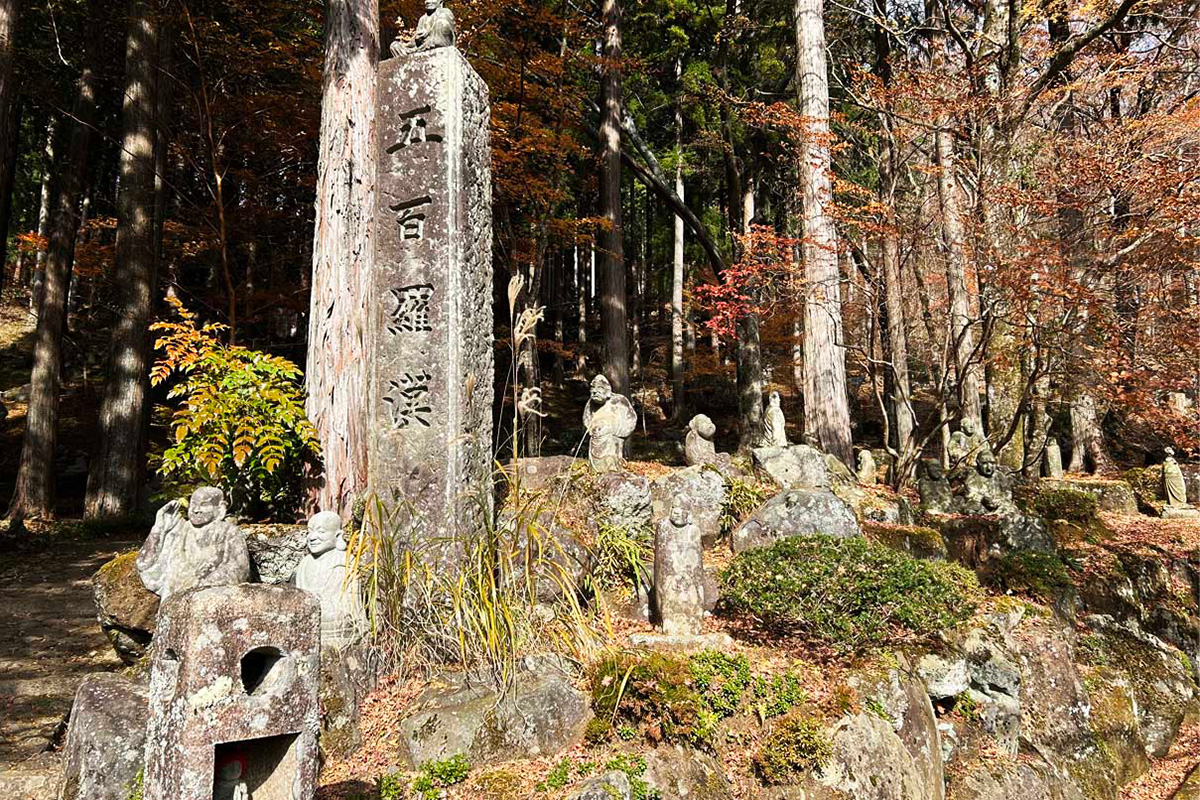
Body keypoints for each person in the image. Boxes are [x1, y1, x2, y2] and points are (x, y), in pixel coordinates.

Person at [137, 487, 250, 600]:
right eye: (193, 504)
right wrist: (159, 529)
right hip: (174, 599)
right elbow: (145, 564)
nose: (196, 510)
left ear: (220, 508)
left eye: (204, 505)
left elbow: (239, 571)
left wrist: (201, 583)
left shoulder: (229, 531)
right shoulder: (179, 529)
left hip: (210, 599)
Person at [293, 511, 365, 645]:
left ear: (338, 536)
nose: (312, 537)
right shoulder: (305, 563)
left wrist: (327, 607)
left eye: (321, 532)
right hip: (310, 615)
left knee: (339, 620)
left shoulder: (346, 560)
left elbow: (351, 603)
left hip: (335, 616)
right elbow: (300, 599)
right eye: (310, 531)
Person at [583, 375, 637, 473]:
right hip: (596, 438)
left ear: (607, 390)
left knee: (611, 463)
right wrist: (593, 429)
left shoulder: (619, 401)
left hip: (612, 439)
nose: (594, 391)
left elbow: (630, 419)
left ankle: (612, 471)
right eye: (592, 388)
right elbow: (587, 419)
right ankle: (594, 471)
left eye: (599, 388)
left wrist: (614, 430)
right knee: (594, 467)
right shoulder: (591, 404)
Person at [390, 0, 456, 57]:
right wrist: (418, 37)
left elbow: (446, 29)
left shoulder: (445, 12)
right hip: (423, 45)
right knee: (394, 46)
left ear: (440, 2)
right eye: (426, 0)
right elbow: (415, 40)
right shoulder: (423, 18)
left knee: (441, 23)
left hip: (437, 41)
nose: (428, 2)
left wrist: (428, 32)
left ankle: (426, 49)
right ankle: (414, 54)